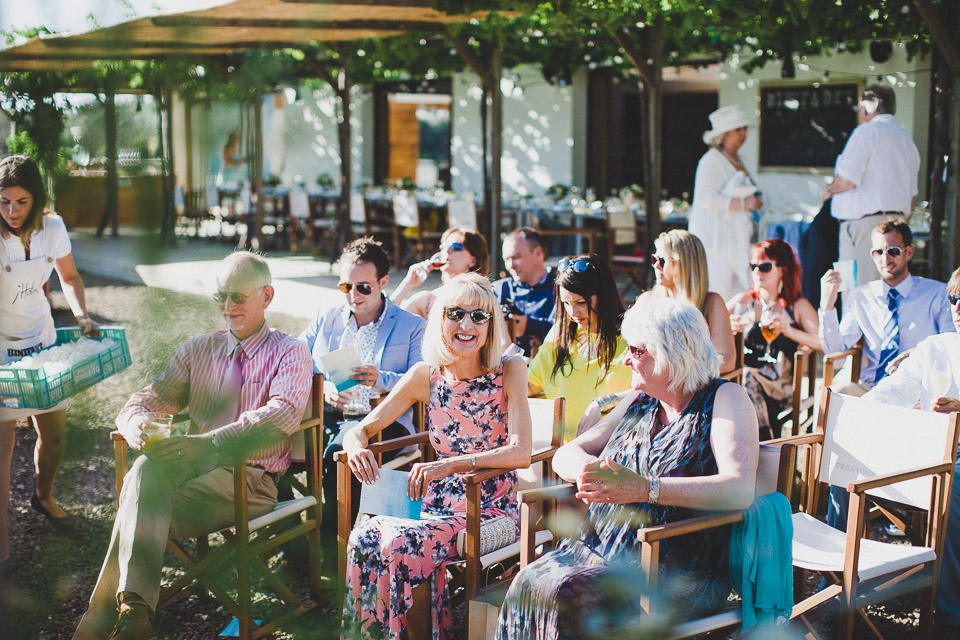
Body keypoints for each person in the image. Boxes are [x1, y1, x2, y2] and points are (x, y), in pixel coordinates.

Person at [72, 251, 312, 639]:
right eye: (220, 297)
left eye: (238, 296)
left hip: (249, 483)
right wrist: (136, 427)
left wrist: (212, 443)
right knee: (145, 472)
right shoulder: (198, 349)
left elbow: (282, 414)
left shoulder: (290, 352)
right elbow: (143, 401)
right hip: (190, 479)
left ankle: (102, 616)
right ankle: (134, 615)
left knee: (137, 497)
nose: (227, 306)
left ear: (267, 297)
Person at [496, 296, 759, 638]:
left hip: (673, 567)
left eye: (636, 350)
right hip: (597, 550)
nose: (624, 360)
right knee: (527, 582)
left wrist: (645, 489)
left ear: (673, 353)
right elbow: (567, 452)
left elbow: (738, 489)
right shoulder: (641, 401)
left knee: (567, 596)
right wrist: (586, 469)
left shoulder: (726, 399)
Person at [341, 273, 532, 640]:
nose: (466, 325)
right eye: (455, 313)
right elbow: (360, 429)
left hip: (487, 506)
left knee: (397, 542)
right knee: (364, 536)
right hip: (431, 504)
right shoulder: (425, 376)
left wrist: (451, 464)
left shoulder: (510, 369)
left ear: (491, 325)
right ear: (439, 319)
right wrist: (355, 446)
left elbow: (521, 452)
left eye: (479, 316)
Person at [0, 155, 100, 572]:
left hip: (41, 340)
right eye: (3, 202)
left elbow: (70, 278)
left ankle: (43, 496)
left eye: (21, 202)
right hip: (2, 349)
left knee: (55, 436)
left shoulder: (53, 227)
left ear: (37, 199)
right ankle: (2, 537)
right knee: (1, 450)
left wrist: (81, 315)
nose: (11, 211)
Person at [300, 237, 425, 545]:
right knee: (269, 443)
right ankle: (292, 544)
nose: (353, 295)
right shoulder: (327, 316)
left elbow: (425, 382)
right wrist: (326, 389)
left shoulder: (412, 325)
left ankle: (331, 551)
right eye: (346, 287)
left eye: (363, 287)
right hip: (329, 414)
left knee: (339, 455)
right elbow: (294, 358)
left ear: (383, 282)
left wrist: (380, 378)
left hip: (383, 421)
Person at [858, 266, 960, 631]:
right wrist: (856, 414)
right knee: (846, 460)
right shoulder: (936, 347)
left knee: (954, 485)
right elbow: (895, 389)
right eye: (954, 299)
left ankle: (948, 616)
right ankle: (839, 583)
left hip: (954, 463)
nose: (958, 309)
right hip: (928, 450)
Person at [819, 218, 951, 395]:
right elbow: (835, 355)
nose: (885, 259)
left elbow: (950, 345)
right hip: (872, 387)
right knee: (833, 395)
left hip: (917, 388)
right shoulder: (860, 297)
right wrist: (827, 306)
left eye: (893, 251)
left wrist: (919, 354)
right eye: (878, 252)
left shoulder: (937, 294)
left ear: (909, 252)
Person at [819, 84, 920, 287]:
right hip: (897, 227)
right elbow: (912, 195)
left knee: (856, 293)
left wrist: (828, 190)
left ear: (866, 107)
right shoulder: (907, 141)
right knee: (888, 291)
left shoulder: (866, 132)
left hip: (864, 227)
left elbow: (847, 179)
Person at [527, 254, 632, 442]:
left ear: (604, 295)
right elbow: (525, 388)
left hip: (616, 456)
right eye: (566, 303)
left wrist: (602, 404)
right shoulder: (556, 344)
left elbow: (649, 394)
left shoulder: (632, 342)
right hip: (565, 460)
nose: (573, 313)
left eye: (581, 303)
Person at [727, 239, 821, 440]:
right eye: (753, 266)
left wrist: (790, 331)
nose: (757, 272)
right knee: (744, 378)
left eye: (765, 266)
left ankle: (762, 445)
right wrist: (727, 329)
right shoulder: (743, 301)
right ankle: (764, 446)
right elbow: (703, 330)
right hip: (742, 381)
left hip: (780, 386)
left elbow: (824, 343)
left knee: (747, 378)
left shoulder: (797, 306)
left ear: (783, 269)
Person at [688, 105, 764, 301]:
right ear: (723, 133)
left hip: (740, 239)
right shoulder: (711, 160)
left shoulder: (740, 159)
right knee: (719, 293)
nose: (743, 134)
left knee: (741, 293)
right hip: (717, 241)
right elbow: (707, 198)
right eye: (737, 129)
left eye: (744, 129)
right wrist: (743, 202)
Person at [636, 230, 737, 375]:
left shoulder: (711, 303)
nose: (656, 266)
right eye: (654, 259)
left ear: (684, 265)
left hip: (692, 388)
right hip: (651, 383)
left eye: (662, 261)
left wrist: (680, 373)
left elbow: (727, 360)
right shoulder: (647, 300)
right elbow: (632, 350)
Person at [390, 226, 490, 319]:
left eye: (456, 247)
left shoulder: (483, 299)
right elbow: (387, 318)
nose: (447, 250)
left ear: (473, 261)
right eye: (443, 246)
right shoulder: (428, 300)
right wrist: (408, 284)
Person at [495, 227, 557, 356]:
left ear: (538, 253)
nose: (511, 266)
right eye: (506, 259)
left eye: (516, 257)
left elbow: (569, 331)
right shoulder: (498, 289)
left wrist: (529, 326)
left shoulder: (560, 289)